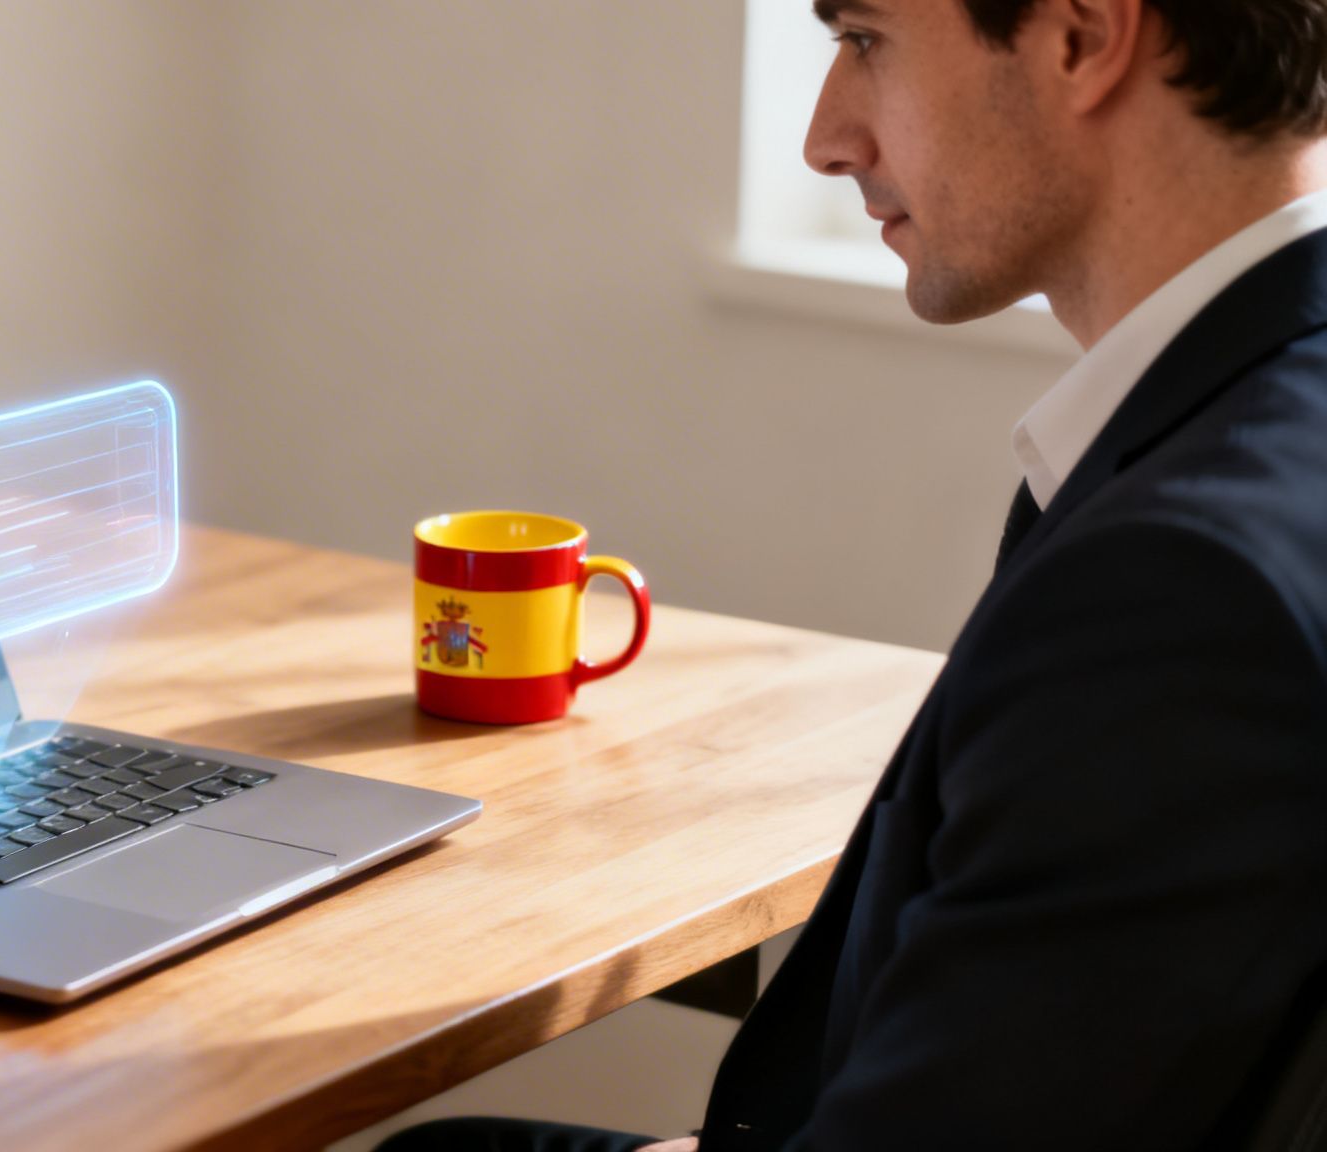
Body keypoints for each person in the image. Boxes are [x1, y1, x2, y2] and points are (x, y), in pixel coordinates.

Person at [383, 0, 1327, 1147]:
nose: (823, 139)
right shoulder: (1253, 434)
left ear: (1079, 37)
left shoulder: (1177, 593)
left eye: (865, 39)